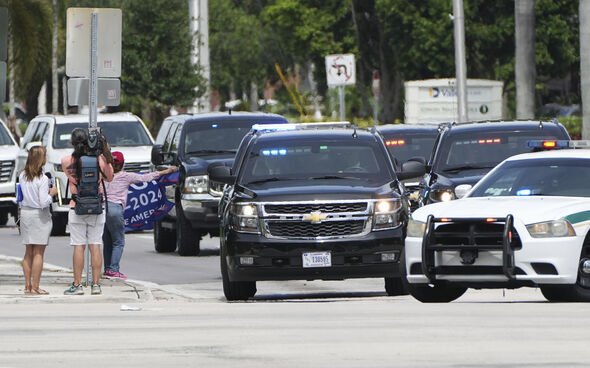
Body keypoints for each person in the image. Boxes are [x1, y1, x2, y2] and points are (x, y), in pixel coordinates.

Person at [102, 151, 178, 279]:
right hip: (115, 209)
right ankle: (113, 269)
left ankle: (107, 268)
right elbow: (146, 177)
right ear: (123, 164)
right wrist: (168, 171)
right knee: (118, 242)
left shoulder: (102, 176)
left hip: (103, 209)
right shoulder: (126, 176)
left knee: (107, 241)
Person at [61, 128, 114, 296]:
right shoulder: (98, 159)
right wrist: (105, 151)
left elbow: (72, 177)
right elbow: (110, 176)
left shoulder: (66, 161)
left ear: (72, 143)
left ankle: (77, 285)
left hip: (76, 205)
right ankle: (96, 285)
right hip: (97, 206)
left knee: (78, 245)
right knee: (95, 244)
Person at [19, 146, 58, 295]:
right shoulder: (42, 179)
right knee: (38, 253)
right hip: (39, 215)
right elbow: (43, 202)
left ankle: (27, 285)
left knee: (28, 251)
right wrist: (51, 193)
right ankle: (36, 286)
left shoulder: (23, 175)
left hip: (26, 213)